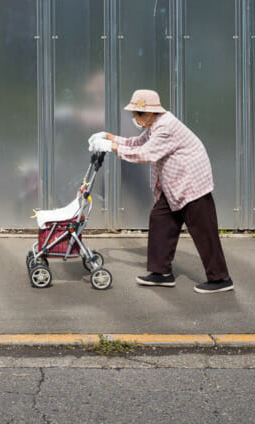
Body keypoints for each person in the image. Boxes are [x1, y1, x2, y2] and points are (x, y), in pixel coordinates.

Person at [88, 89, 234, 293]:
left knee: (203, 231)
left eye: (137, 114)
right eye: (133, 113)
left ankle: (220, 279)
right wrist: (110, 137)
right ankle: (161, 273)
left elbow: (145, 153)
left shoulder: (165, 127)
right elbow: (138, 142)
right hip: (174, 184)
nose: (134, 118)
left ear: (150, 112)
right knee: (160, 220)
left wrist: (111, 147)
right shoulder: (155, 124)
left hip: (192, 184)